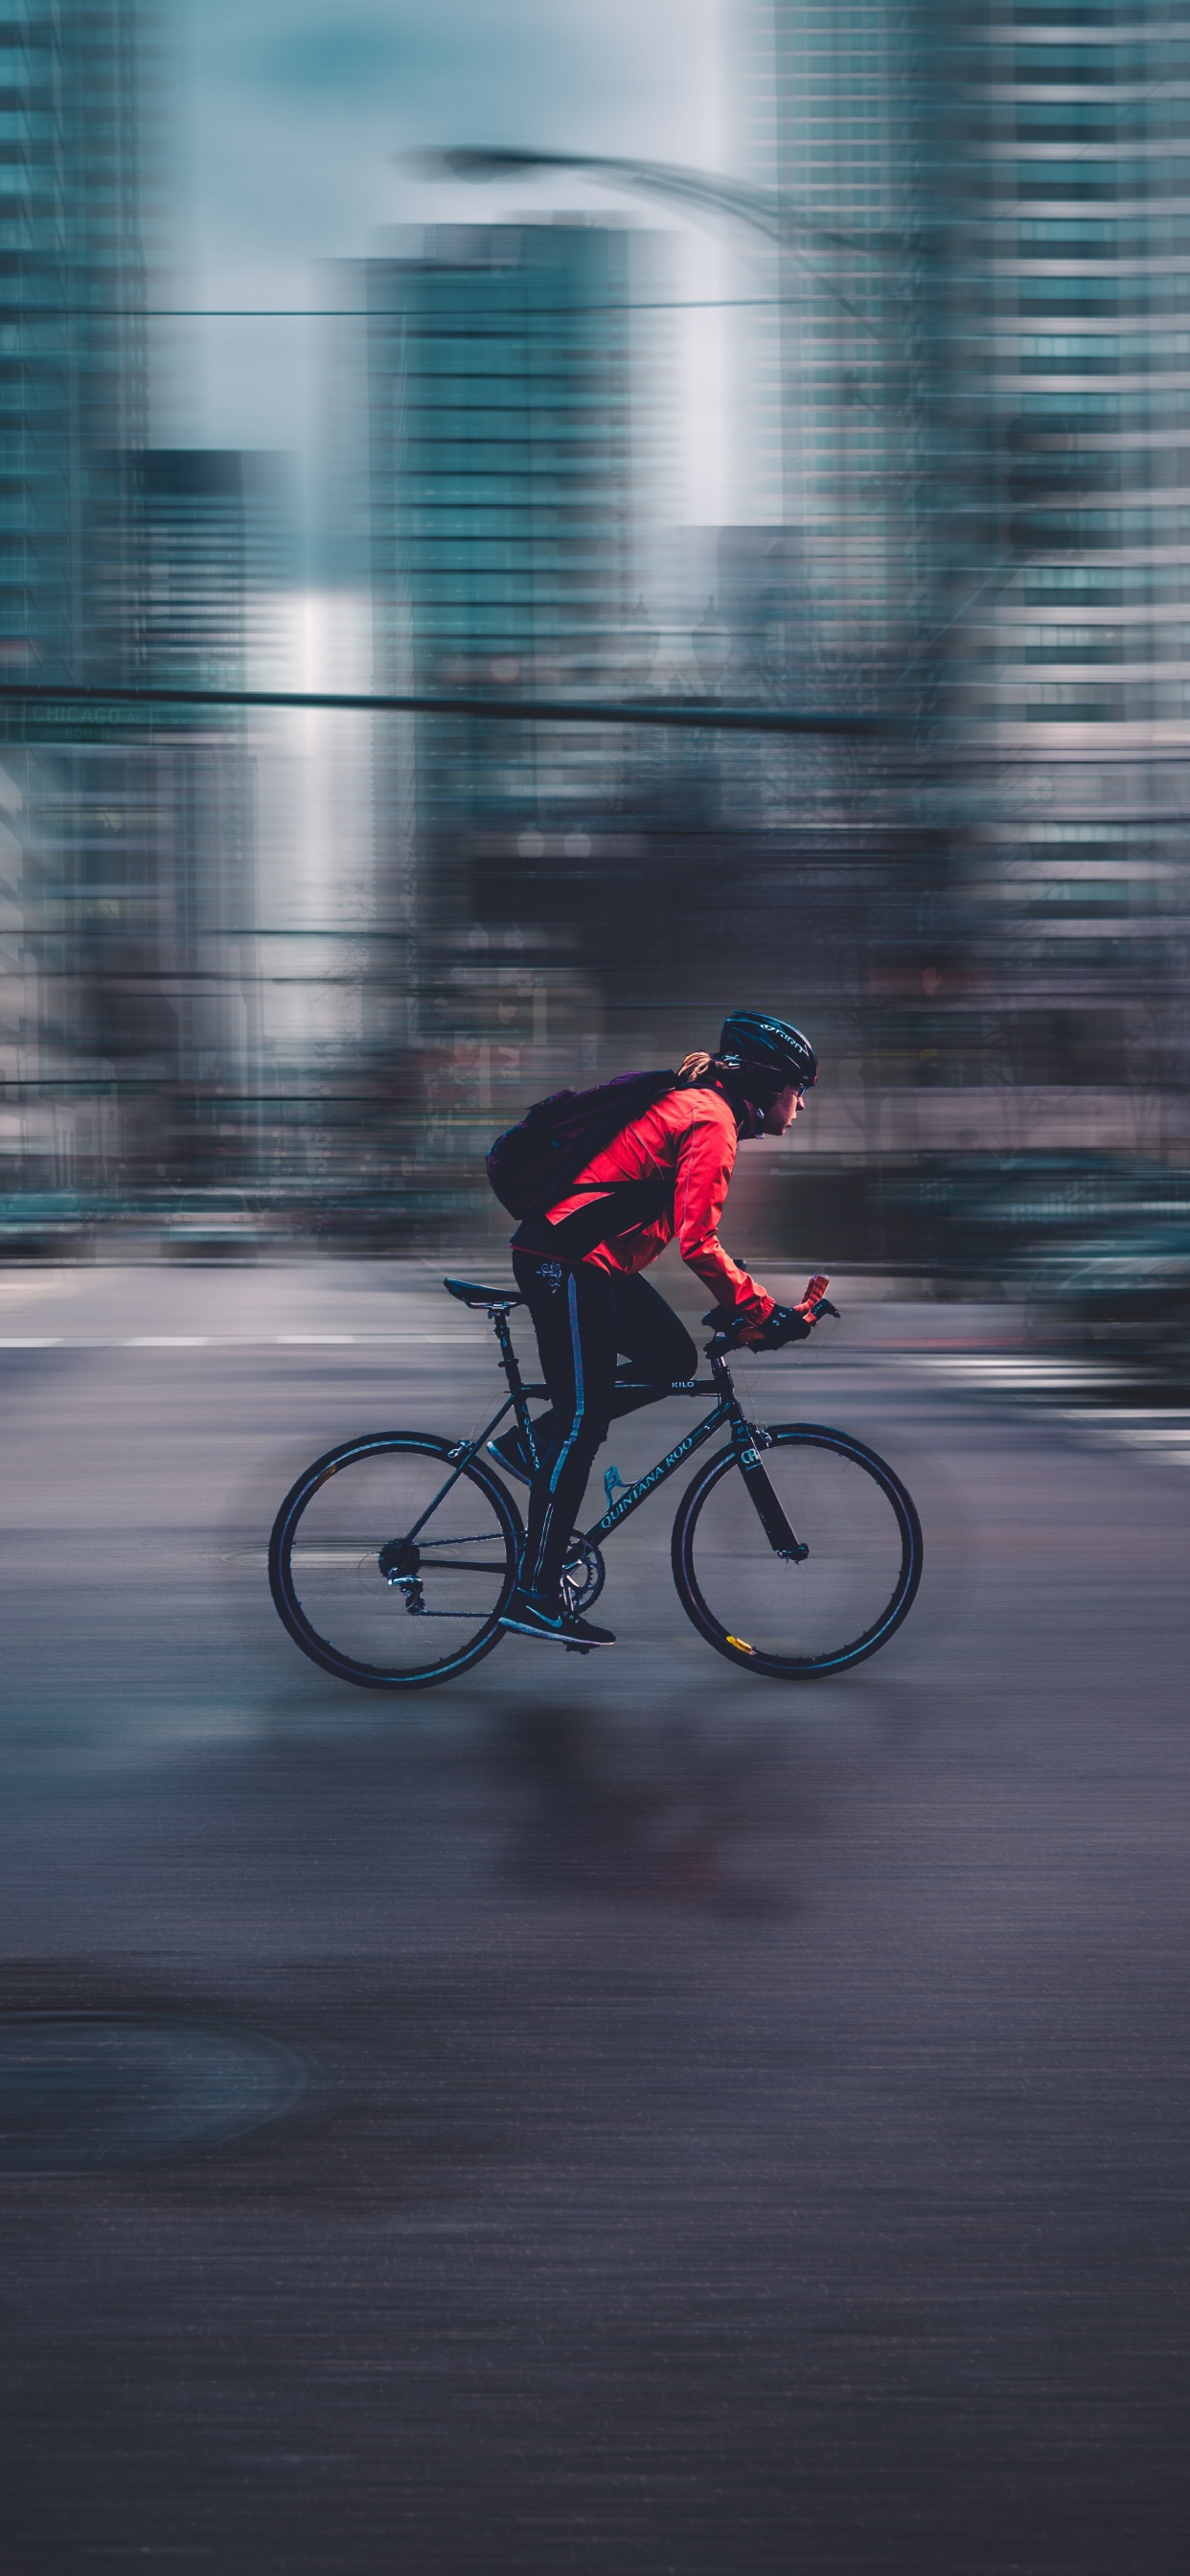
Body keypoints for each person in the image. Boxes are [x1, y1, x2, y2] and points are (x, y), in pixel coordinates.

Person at [493, 1010, 825, 1648]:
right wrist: (760, 1310)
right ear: (771, 1083)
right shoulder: (712, 1120)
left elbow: (690, 1231)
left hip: (590, 1259)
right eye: (800, 1088)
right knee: (584, 1421)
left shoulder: (705, 1110)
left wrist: (748, 1304)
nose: (802, 1105)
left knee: (672, 1358)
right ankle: (534, 1592)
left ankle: (534, 1445)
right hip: (565, 1259)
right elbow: (699, 1242)